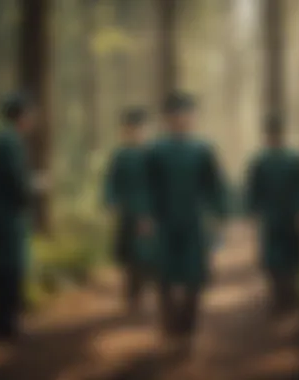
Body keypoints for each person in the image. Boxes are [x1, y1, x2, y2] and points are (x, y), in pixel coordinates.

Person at [140, 91, 228, 351]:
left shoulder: (203, 149)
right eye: (175, 115)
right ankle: (169, 324)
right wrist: (146, 215)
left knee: (195, 274)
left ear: (193, 118)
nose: (181, 119)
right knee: (164, 273)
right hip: (165, 219)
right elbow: (147, 185)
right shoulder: (155, 150)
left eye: (186, 114)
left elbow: (214, 184)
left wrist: (219, 214)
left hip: (194, 220)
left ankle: (188, 325)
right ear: (166, 119)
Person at [0, 93, 42, 340]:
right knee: (10, 268)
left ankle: (1, 322)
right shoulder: (10, 141)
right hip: (7, 218)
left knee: (1, 268)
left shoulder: (0, 139)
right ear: (21, 116)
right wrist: (34, 185)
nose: (32, 119)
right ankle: (8, 324)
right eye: (29, 114)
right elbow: (15, 181)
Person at [244, 114, 299, 315]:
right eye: (271, 133)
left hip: (293, 215)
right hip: (271, 217)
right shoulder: (260, 162)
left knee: (295, 257)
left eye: (277, 132)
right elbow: (253, 190)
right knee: (272, 260)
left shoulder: (296, 159)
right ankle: (278, 298)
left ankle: (292, 298)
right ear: (267, 135)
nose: (274, 136)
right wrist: (253, 213)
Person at [104, 108, 150, 314]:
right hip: (126, 211)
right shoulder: (120, 155)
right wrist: (111, 201)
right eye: (130, 128)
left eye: (138, 128)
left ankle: (142, 291)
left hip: (146, 211)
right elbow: (111, 182)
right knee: (128, 254)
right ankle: (132, 294)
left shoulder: (150, 154)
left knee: (145, 253)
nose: (134, 132)